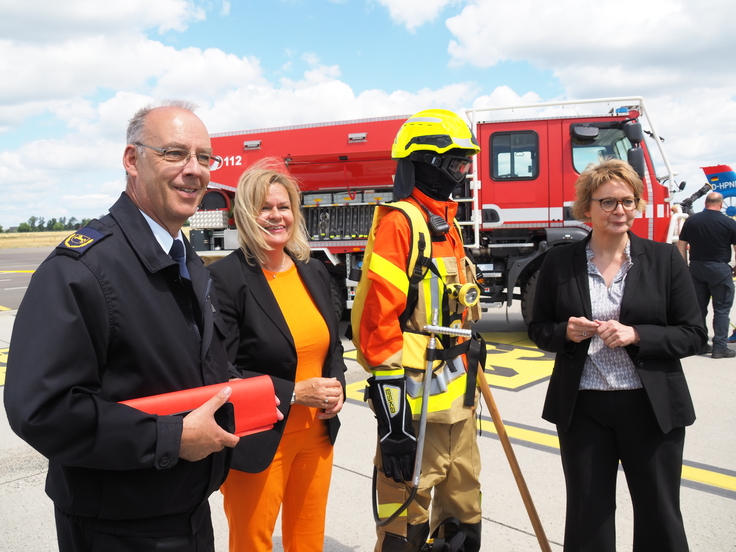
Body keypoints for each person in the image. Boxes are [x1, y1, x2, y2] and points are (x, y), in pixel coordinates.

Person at [2, 102, 277, 551]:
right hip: (117, 527)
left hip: (186, 510)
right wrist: (170, 437)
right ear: (133, 161)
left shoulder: (186, 259)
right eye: (175, 153)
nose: (195, 171)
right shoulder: (82, 271)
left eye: (205, 158)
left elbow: (191, 368)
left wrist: (250, 397)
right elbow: (41, 409)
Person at [528, 159, 706, 552]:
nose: (620, 210)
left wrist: (636, 334)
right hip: (583, 408)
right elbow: (538, 328)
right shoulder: (560, 262)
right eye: (608, 202)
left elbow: (694, 334)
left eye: (628, 201)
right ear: (586, 208)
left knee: (659, 513)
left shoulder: (664, 259)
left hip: (650, 406)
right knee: (587, 515)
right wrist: (566, 332)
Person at [351, 109, 484, 552]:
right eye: (456, 163)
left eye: (466, 164)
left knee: (463, 520)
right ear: (425, 162)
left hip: (459, 413)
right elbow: (376, 324)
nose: (462, 174)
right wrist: (393, 423)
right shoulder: (400, 222)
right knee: (404, 528)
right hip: (415, 413)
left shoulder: (449, 224)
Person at [207, 158, 347, 552]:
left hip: (317, 436)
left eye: (283, 207)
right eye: (264, 207)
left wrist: (337, 389)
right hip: (261, 436)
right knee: (252, 542)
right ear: (245, 216)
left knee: (308, 540)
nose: (275, 216)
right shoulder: (226, 279)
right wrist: (293, 392)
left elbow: (332, 345)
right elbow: (222, 368)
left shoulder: (313, 271)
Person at [676, 191, 736, 359]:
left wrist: (684, 267)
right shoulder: (729, 223)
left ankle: (700, 345)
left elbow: (681, 245)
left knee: (699, 309)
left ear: (705, 203)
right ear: (720, 204)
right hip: (719, 269)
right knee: (722, 309)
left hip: (696, 268)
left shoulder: (692, 221)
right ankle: (720, 348)